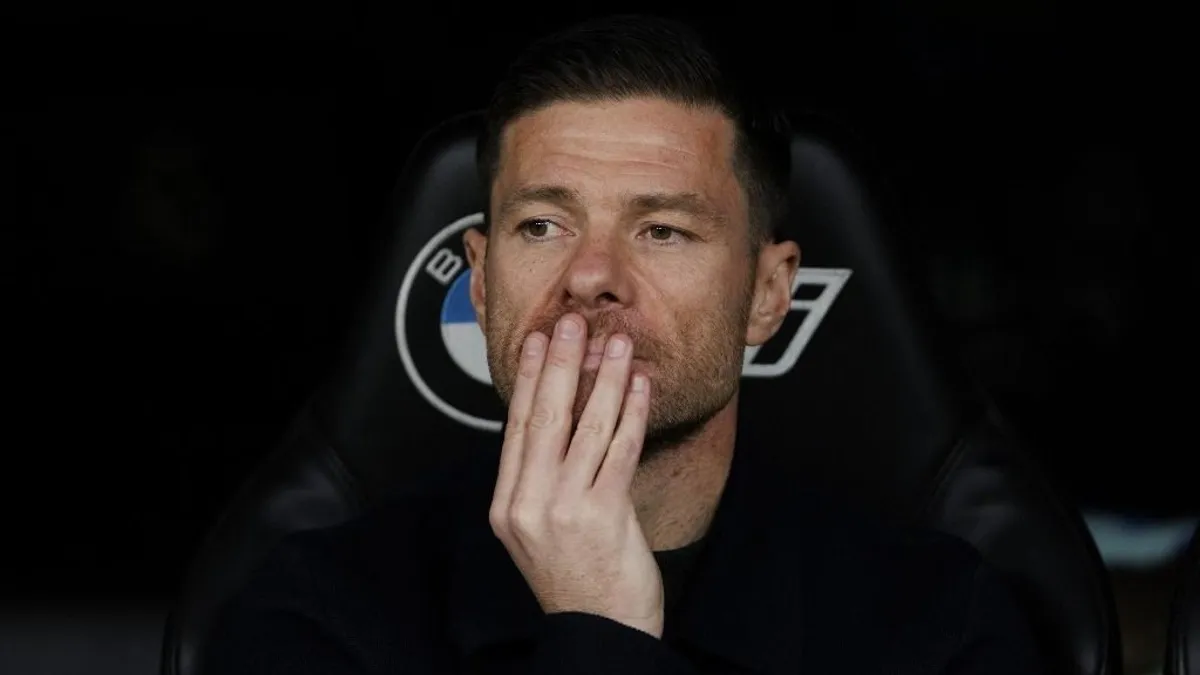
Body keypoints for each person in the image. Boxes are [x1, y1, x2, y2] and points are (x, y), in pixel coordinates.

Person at [205, 14, 1044, 675]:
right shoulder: (319, 612)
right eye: (543, 224)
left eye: (663, 229)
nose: (590, 276)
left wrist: (596, 628)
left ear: (767, 293)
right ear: (482, 280)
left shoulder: (937, 622)